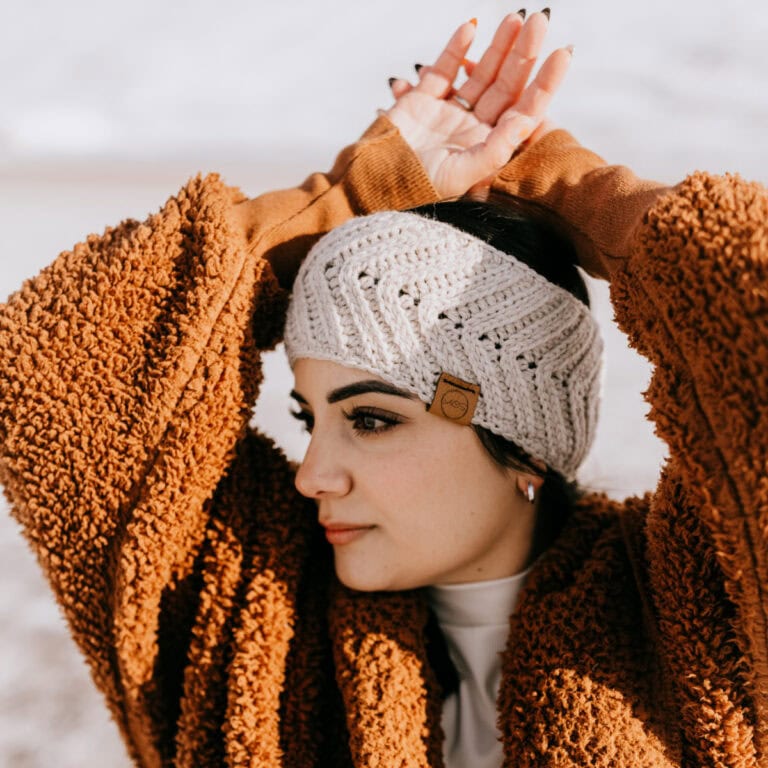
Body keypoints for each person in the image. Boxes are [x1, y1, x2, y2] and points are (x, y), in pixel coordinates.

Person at [1, 10, 767, 768]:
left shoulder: (700, 621)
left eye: (370, 418)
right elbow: (52, 371)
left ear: (525, 444)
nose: (310, 474)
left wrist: (595, 202)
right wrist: (347, 198)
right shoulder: (253, 617)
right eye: (309, 417)